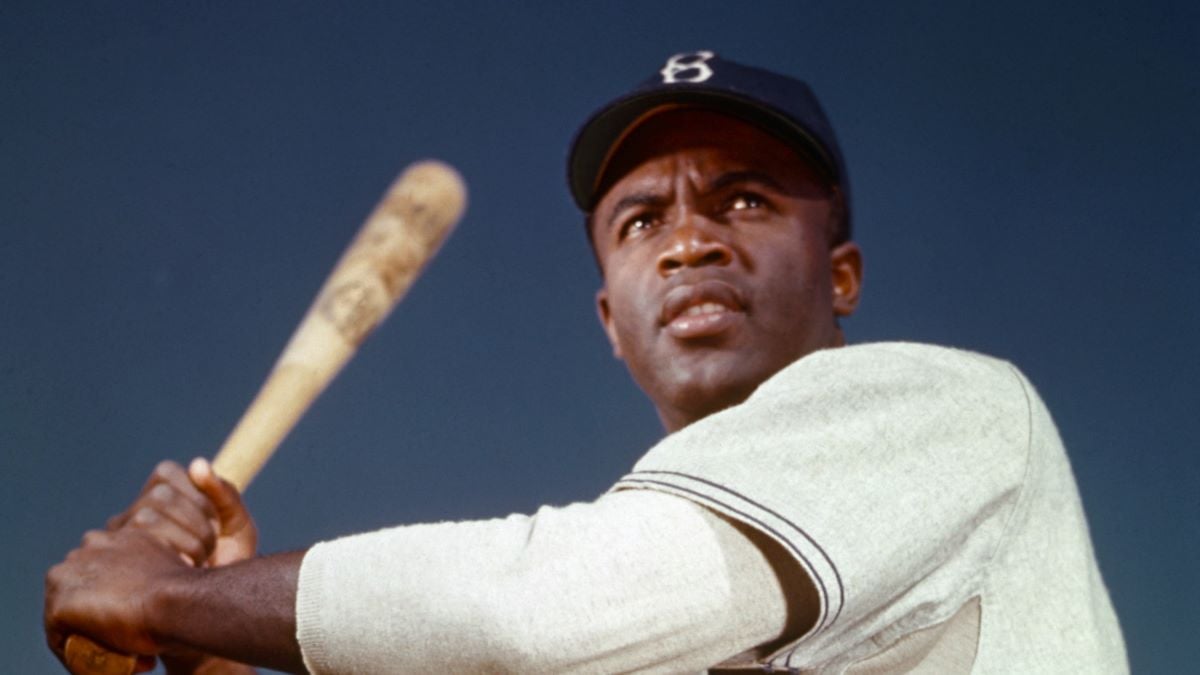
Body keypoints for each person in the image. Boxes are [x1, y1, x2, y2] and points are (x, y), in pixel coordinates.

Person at [45, 51, 1127, 674]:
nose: (692, 238)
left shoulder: (947, 410)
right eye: (643, 218)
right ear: (610, 319)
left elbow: (546, 608)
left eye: (744, 197)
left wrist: (164, 600)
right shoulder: (672, 595)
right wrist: (211, 645)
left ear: (841, 275)